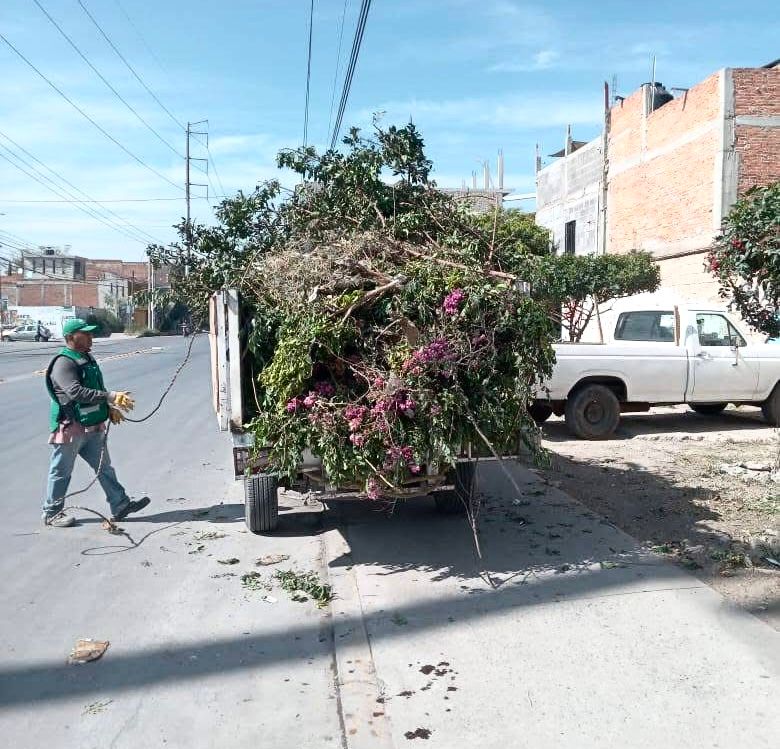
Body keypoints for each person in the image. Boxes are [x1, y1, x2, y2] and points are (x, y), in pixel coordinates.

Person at [42, 318, 150, 527]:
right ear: (71, 337)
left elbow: (94, 388)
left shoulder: (86, 358)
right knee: (61, 472)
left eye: (91, 333)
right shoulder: (64, 362)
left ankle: (120, 504)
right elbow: (75, 392)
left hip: (92, 425)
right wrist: (110, 396)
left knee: (104, 467)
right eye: (86, 334)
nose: (91, 337)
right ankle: (52, 512)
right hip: (71, 427)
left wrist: (107, 408)